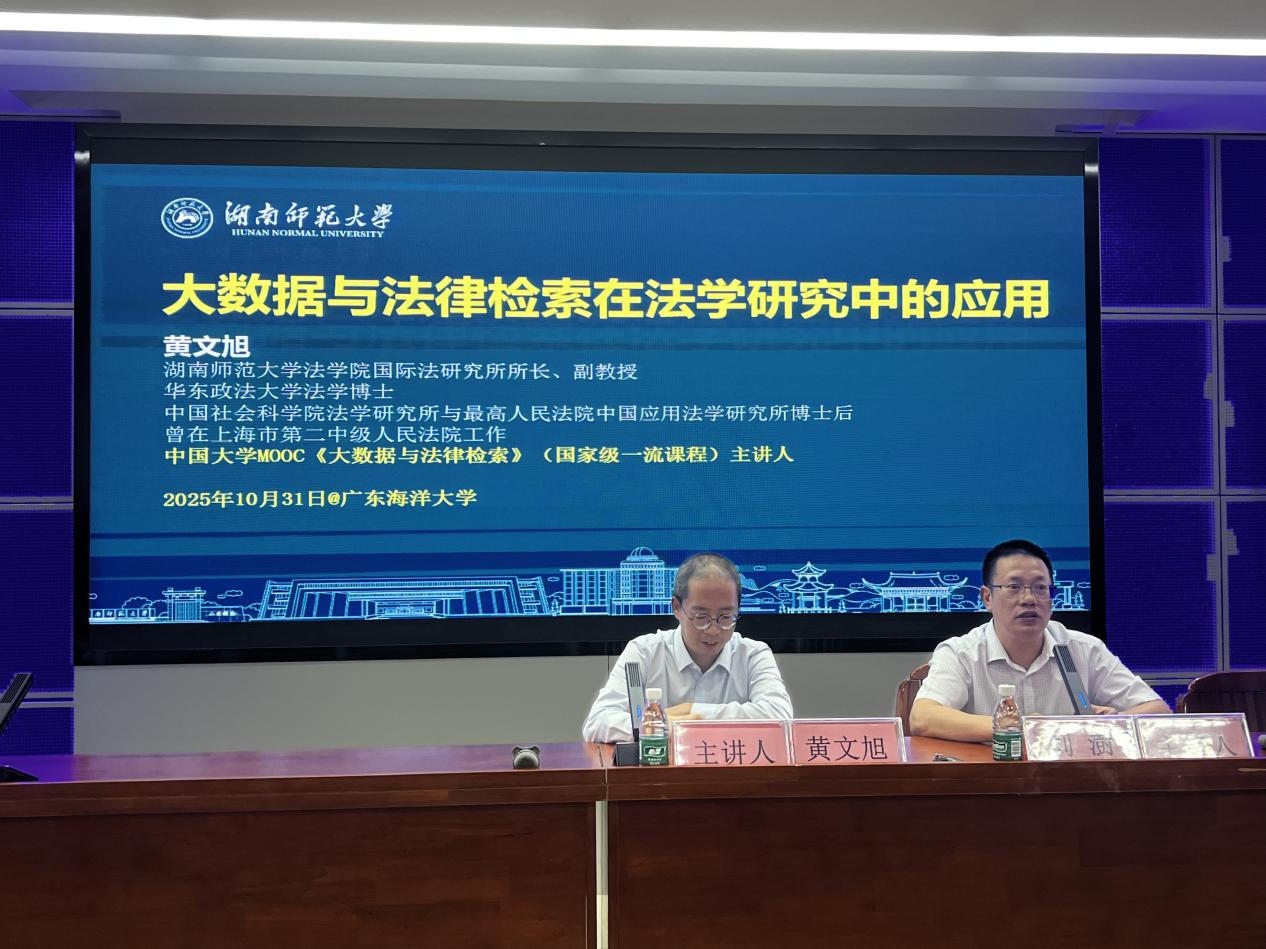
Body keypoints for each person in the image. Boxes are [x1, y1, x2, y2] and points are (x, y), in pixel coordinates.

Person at [910, 539, 1168, 742]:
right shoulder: (961, 653)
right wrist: (1016, 726)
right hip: (988, 781)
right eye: (1014, 587)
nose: (1029, 599)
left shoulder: (1082, 649)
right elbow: (923, 717)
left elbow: (1158, 710)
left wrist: (1114, 721)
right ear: (987, 598)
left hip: (1066, 781)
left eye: (1040, 588)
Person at [581, 552, 794, 743]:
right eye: (701, 617)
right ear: (676, 607)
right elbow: (598, 721)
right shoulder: (644, 652)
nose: (713, 630)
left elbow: (780, 716)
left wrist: (692, 714)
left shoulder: (753, 655)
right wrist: (665, 725)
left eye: (726, 617)